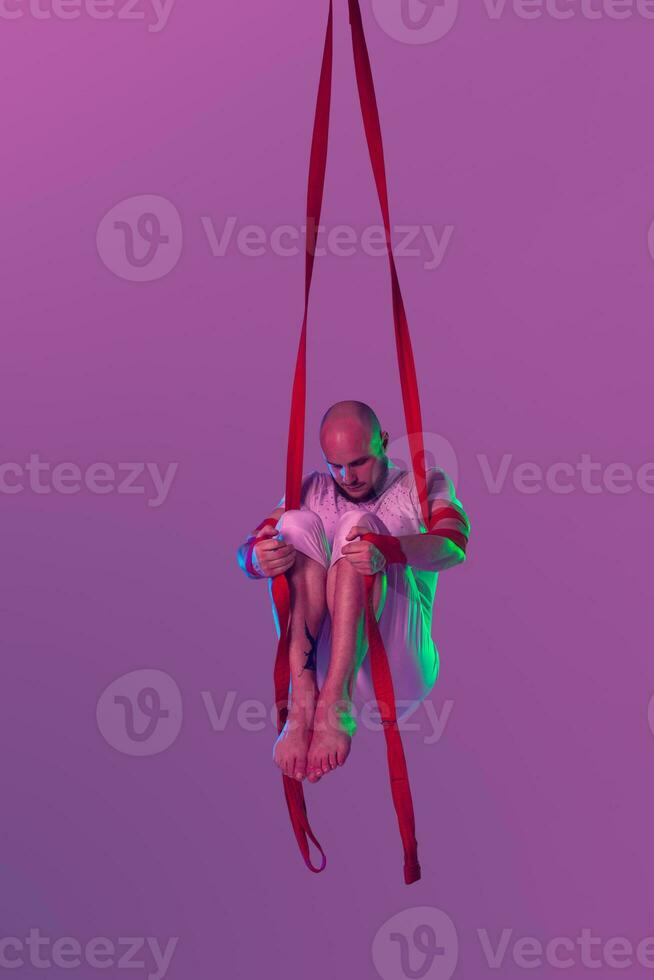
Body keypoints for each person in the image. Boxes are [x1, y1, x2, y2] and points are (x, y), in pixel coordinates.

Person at [236, 400, 470, 785]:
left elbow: (454, 546)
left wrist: (390, 550)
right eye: (336, 464)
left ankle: (337, 702)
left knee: (357, 525)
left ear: (383, 441)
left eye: (359, 462)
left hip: (396, 668)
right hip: (326, 658)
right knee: (293, 524)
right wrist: (256, 560)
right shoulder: (311, 487)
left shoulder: (421, 484)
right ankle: (305, 700)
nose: (347, 476)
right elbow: (246, 551)